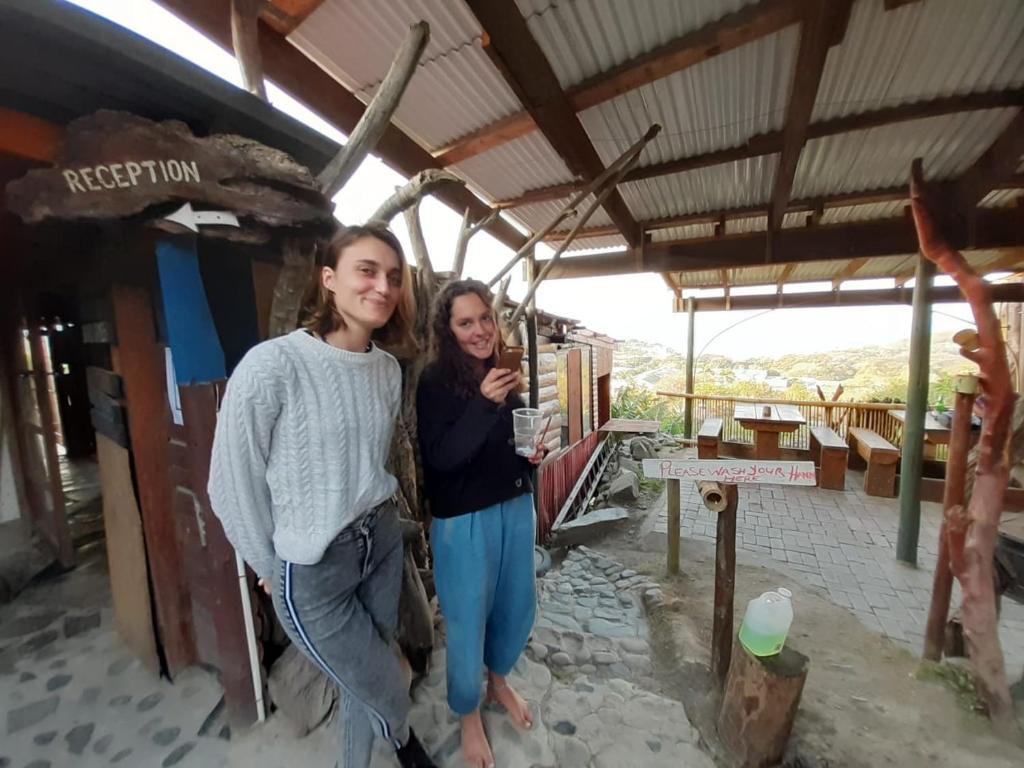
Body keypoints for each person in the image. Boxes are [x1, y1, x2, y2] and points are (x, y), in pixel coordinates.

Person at [207, 223, 436, 768]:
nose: (383, 286)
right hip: (314, 569)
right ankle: (404, 740)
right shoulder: (272, 365)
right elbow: (230, 482)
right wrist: (267, 563)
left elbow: (367, 464)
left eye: (394, 277)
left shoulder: (386, 370)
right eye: (367, 271)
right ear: (329, 279)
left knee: (361, 679)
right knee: (384, 679)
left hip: (379, 542)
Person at [416, 279, 545, 768]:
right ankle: (468, 714)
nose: (480, 330)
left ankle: (498, 682)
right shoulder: (435, 383)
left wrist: (532, 455)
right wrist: (486, 404)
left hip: (515, 509)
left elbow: (507, 449)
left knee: (516, 607)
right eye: (465, 322)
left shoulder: (503, 374)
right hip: (465, 522)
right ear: (447, 330)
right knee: (467, 621)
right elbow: (443, 458)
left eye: (485, 318)